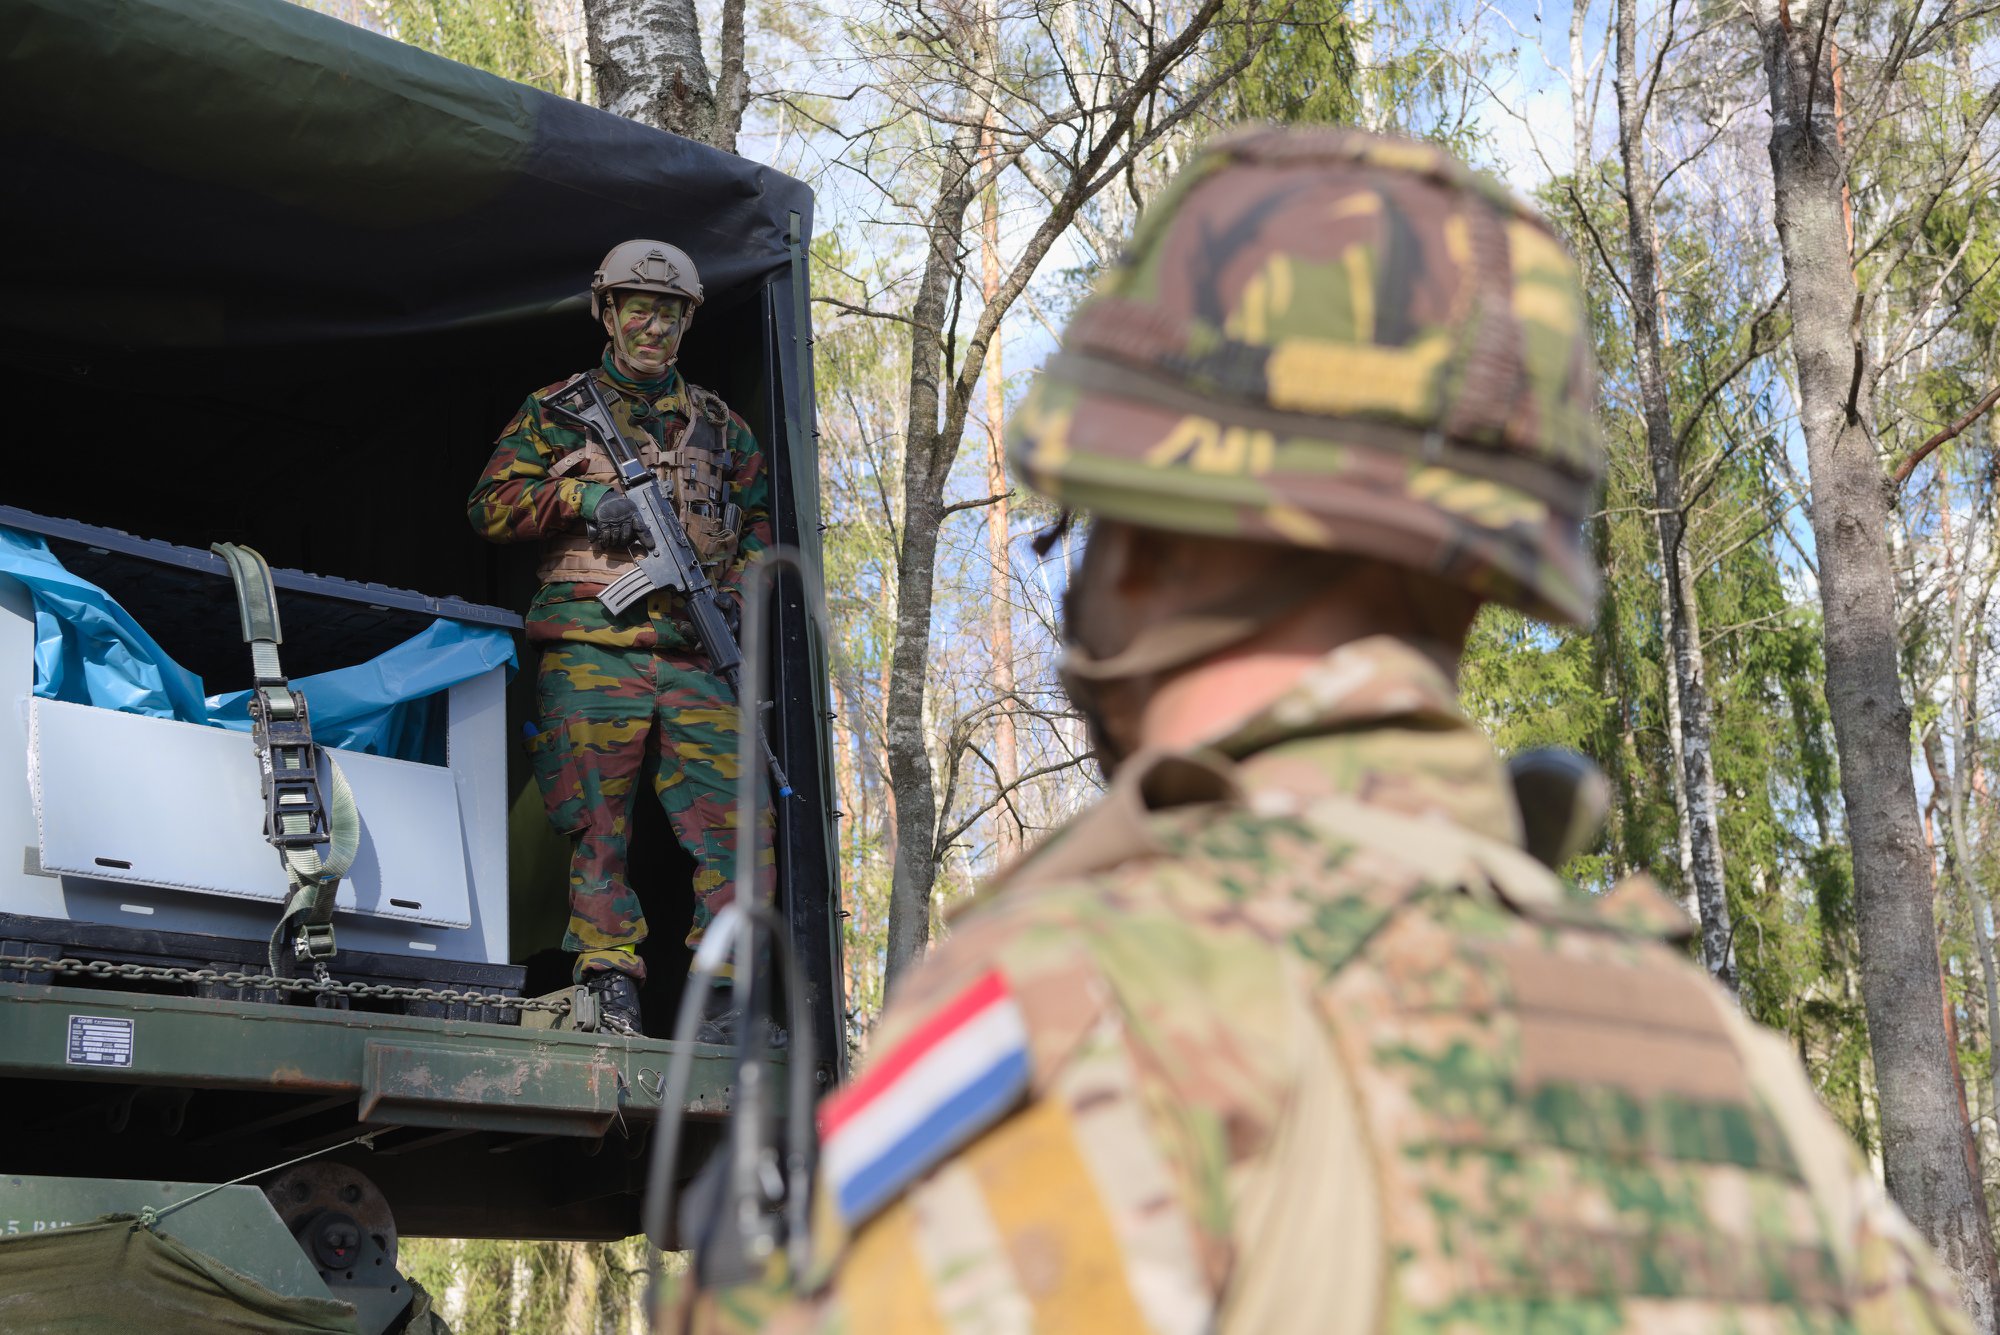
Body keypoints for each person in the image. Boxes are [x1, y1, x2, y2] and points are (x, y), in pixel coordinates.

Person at [679, 128, 1971, 1331]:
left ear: (1143, 536)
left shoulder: (1110, 1006)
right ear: (1478, 582)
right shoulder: (1740, 1085)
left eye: (1081, 526)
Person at [468, 239, 775, 1039]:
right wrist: (578, 498)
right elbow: (490, 506)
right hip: (593, 645)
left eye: (669, 313)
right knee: (596, 824)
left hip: (694, 654)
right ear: (607, 312)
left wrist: (739, 591)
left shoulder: (722, 429)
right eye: (638, 308)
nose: (653, 326)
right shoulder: (557, 409)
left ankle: (728, 997)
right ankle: (608, 981)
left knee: (738, 821)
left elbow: (762, 529)